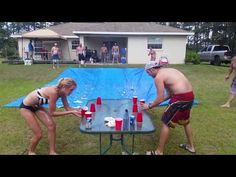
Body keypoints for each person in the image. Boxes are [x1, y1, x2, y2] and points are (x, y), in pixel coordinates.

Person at [141, 61, 196, 155]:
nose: (149, 75)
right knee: (185, 122)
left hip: (180, 98)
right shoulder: (169, 70)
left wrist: (149, 106)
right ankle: (191, 147)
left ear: (151, 69)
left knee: (166, 122)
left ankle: (159, 152)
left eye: (148, 72)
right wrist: (155, 102)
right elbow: (169, 94)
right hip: (190, 96)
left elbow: (159, 98)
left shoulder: (158, 77)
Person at [19, 78, 81, 155]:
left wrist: (78, 111)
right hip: (26, 107)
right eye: (71, 90)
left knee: (52, 126)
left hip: (37, 106)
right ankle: (31, 151)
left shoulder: (62, 92)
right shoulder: (53, 92)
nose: (72, 92)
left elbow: (67, 107)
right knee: (38, 134)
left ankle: (52, 152)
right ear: (64, 87)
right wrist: (71, 112)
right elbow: (52, 113)